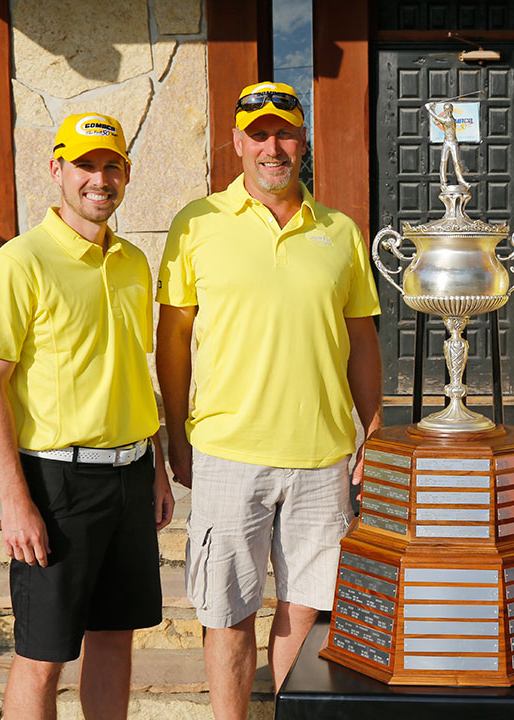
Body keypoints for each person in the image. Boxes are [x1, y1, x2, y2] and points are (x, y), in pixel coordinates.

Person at [155, 81, 382, 719]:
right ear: (237, 142)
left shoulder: (339, 231)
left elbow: (362, 340)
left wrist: (373, 431)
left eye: (284, 133)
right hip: (227, 453)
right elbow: (172, 339)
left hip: (322, 456)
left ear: (303, 142)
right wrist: (176, 435)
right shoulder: (196, 223)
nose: (272, 148)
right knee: (227, 611)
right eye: (259, 135)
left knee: (307, 608)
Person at [0, 113, 173, 720]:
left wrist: (157, 467)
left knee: (114, 637)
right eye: (85, 165)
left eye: (111, 167)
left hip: (131, 476)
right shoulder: (19, 262)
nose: (99, 180)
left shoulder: (134, 262)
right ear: (57, 170)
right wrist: (14, 500)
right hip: (56, 484)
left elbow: (132, 372)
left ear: (127, 175)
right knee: (42, 655)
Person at [427, 101, 468, 188]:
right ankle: (443, 181)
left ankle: (461, 180)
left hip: (453, 143)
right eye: (446, 110)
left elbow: (438, 119)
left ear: (451, 111)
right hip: (446, 142)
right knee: (443, 161)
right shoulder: (445, 118)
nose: (447, 112)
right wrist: (433, 109)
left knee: (456, 162)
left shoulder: (450, 120)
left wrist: (429, 109)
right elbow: (436, 122)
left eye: (448, 110)